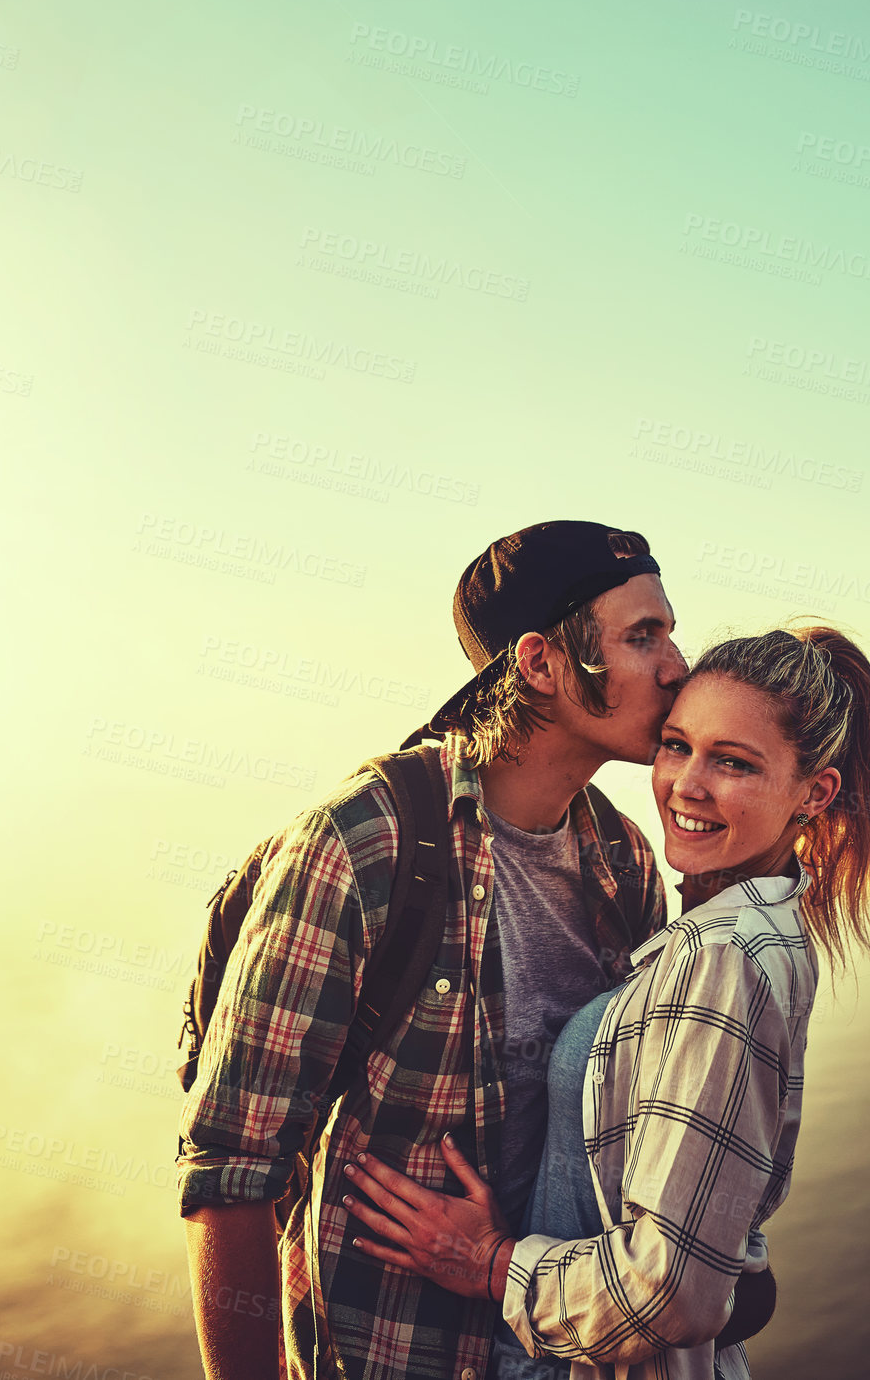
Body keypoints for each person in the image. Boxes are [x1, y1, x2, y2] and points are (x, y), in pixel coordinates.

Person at [177, 519, 688, 1380]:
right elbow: (231, 1170)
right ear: (539, 664)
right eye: (643, 636)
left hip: (559, 1349)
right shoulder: (363, 844)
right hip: (388, 1353)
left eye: (668, 632)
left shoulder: (623, 861)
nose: (677, 665)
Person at [341, 624, 870, 1380]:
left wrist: (486, 1261)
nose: (685, 786)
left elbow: (670, 1292)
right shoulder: (749, 932)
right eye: (676, 746)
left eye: (732, 763)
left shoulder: (724, 956)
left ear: (814, 793)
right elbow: (718, 1244)